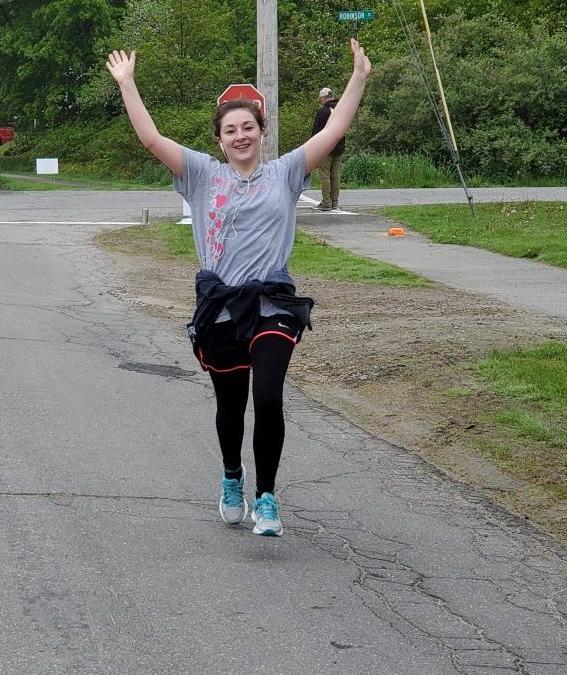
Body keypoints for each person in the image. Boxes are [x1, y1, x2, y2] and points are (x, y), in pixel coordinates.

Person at [106, 39, 371, 536]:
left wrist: (358, 77)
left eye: (248, 127)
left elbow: (335, 129)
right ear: (220, 140)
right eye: (231, 130)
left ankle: (267, 498)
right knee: (231, 405)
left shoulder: (286, 172)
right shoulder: (202, 175)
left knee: (267, 396)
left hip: (272, 302)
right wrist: (128, 84)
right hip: (222, 307)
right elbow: (151, 139)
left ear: (262, 131)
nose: (240, 135)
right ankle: (232, 478)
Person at [311, 87, 346, 211]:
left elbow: (316, 131)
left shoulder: (323, 111)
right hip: (340, 146)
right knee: (335, 176)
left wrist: (313, 149)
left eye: (320, 99)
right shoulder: (341, 109)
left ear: (324, 98)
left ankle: (326, 202)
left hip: (326, 148)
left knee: (324, 175)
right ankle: (335, 202)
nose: (320, 101)